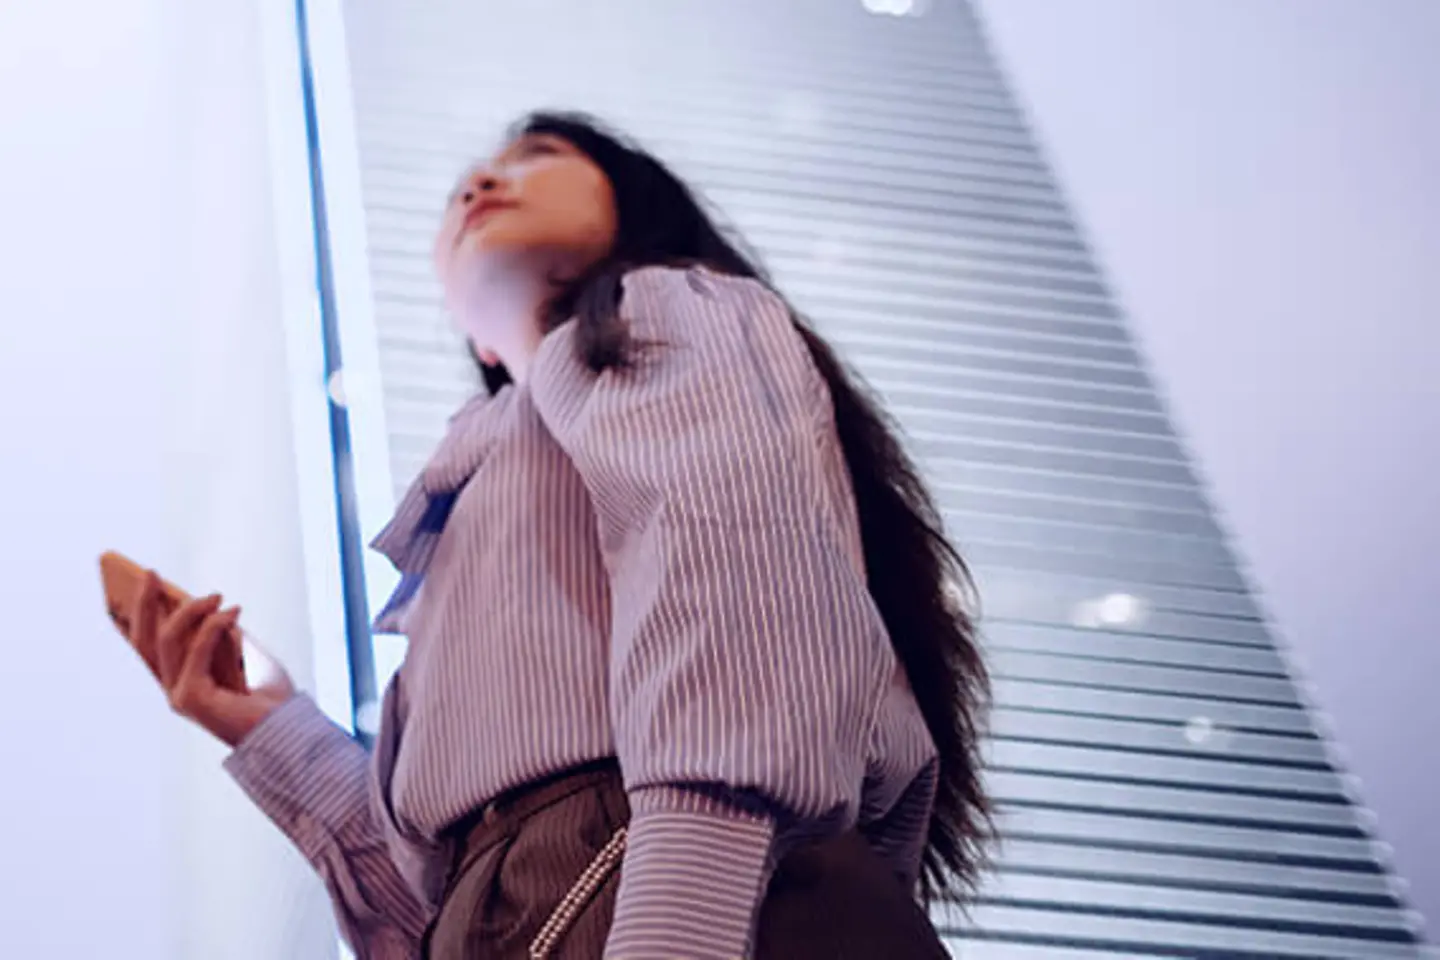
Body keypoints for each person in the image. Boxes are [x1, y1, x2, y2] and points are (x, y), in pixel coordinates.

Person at [121, 111, 991, 959]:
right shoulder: (471, 496)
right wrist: (265, 723)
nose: (482, 182)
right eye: (462, 187)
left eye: (536, 155)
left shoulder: (659, 307)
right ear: (478, 343)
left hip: (684, 887)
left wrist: (678, 923)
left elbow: (735, 580)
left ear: (634, 208)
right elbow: (433, 903)